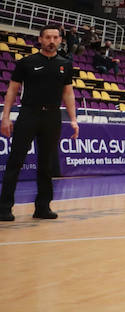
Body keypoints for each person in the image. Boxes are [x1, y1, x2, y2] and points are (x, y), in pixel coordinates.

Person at [0, 25, 78, 221]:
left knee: (46, 164)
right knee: (15, 161)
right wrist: (6, 116)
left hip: (52, 117)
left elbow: (68, 93)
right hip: (29, 114)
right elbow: (12, 90)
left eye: (55, 37)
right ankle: (4, 208)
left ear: (60, 40)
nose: (52, 41)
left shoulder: (65, 64)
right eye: (48, 37)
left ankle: (43, 207)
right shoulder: (26, 62)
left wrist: (74, 119)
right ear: (41, 40)